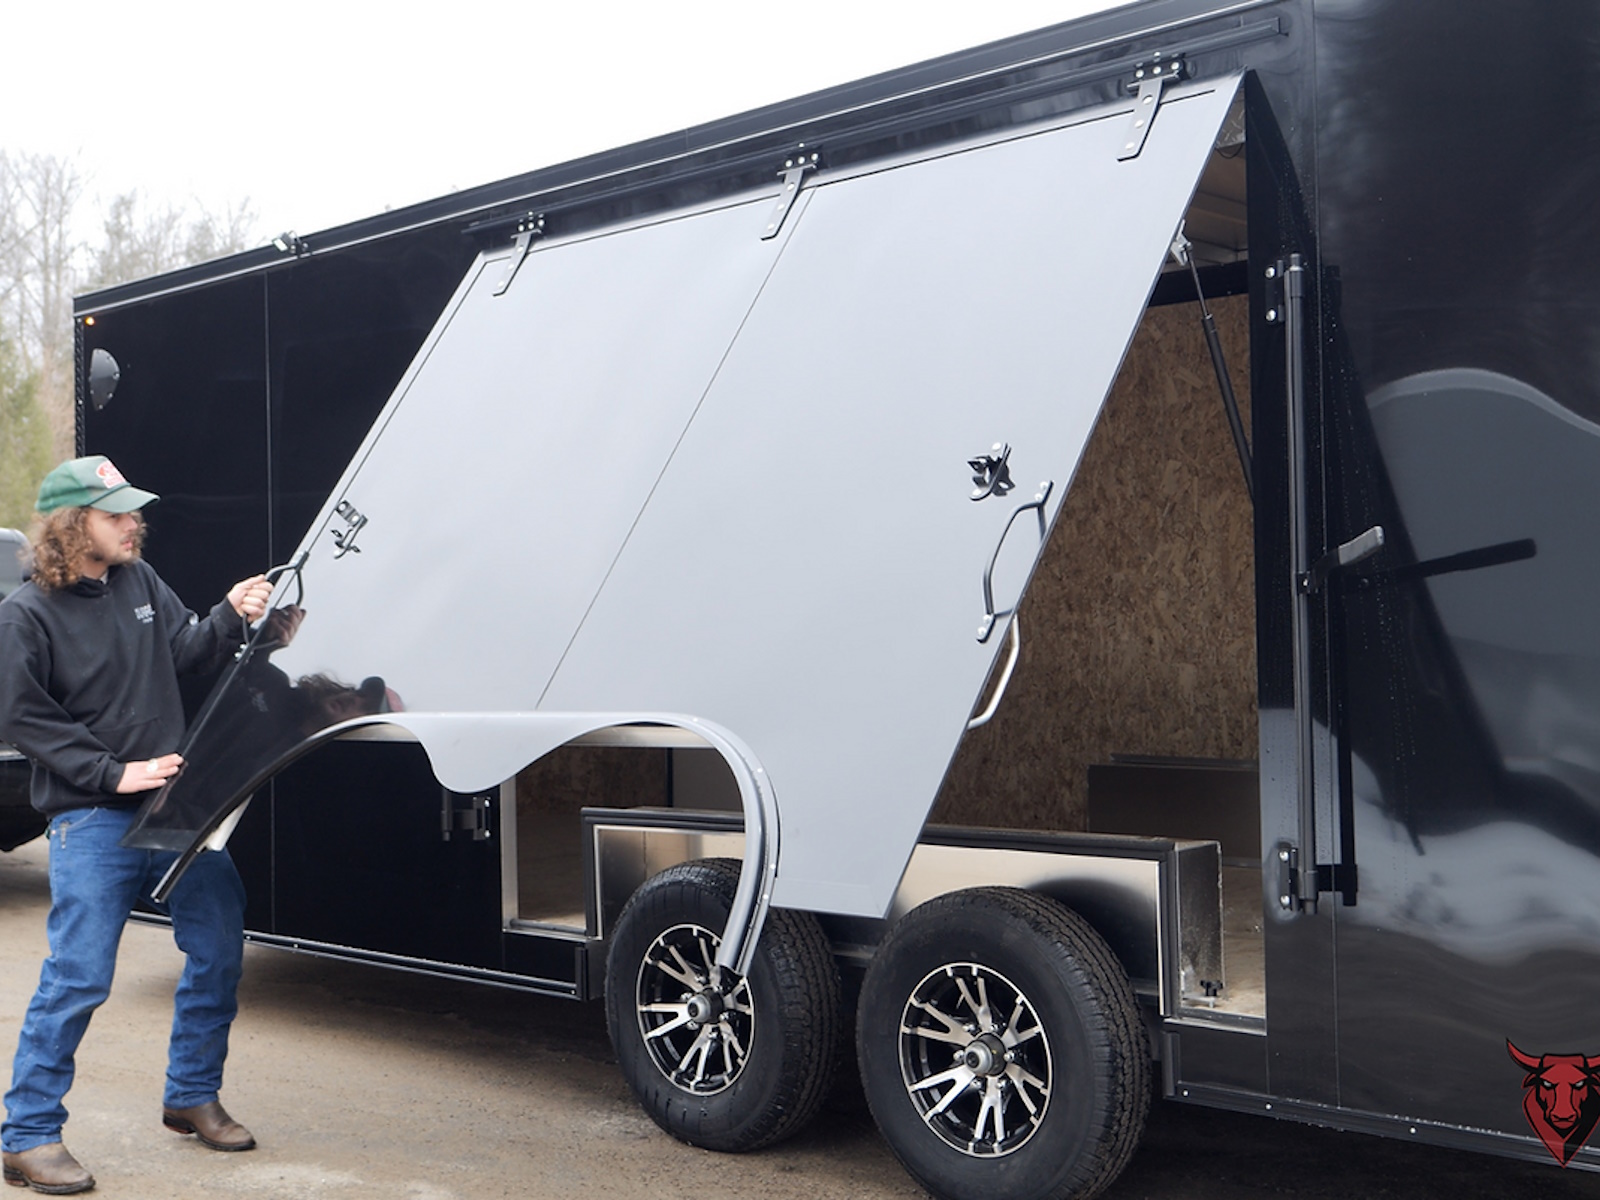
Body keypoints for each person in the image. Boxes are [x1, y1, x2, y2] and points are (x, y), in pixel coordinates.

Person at [0, 457, 272, 1195]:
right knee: (79, 978)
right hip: (92, 818)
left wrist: (229, 613)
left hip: (173, 815)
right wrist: (109, 772)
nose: (133, 523)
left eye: (132, 511)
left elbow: (185, 650)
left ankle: (191, 1094)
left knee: (218, 951)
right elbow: (20, 715)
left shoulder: (141, 582)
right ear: (71, 525)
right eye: (115, 513)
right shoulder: (25, 614)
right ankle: (28, 1135)